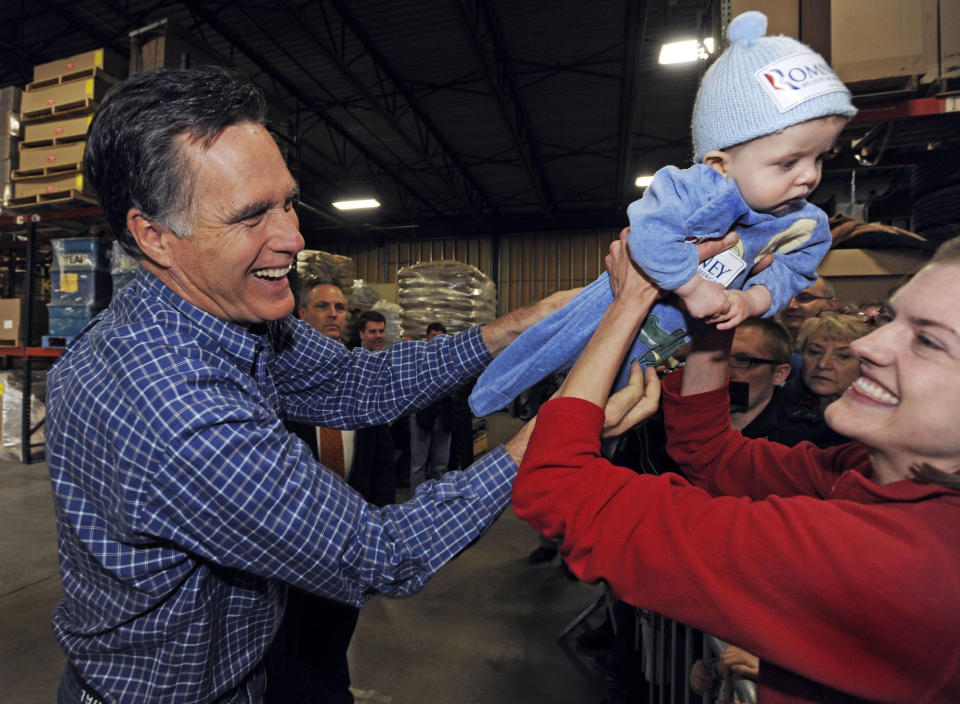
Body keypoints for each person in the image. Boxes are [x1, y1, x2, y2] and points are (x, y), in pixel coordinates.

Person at [46, 64, 640, 704]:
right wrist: (559, 428)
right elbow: (380, 553)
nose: (293, 238)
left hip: (243, 675)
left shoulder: (224, 318)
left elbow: (359, 383)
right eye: (251, 216)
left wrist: (522, 326)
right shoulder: (171, 405)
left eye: (287, 201)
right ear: (154, 235)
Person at [512, 229, 960, 702]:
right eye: (888, 319)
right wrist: (722, 311)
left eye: (928, 341)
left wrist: (630, 301)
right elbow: (711, 453)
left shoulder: (901, 562)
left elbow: (558, 486)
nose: (871, 346)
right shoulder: (861, 473)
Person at [468, 10, 855, 417]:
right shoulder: (694, 188)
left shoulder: (802, 221)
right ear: (720, 164)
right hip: (613, 305)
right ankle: (488, 397)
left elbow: (796, 270)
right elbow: (648, 234)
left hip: (671, 339)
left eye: (820, 158)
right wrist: (691, 286)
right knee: (550, 343)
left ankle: (563, 439)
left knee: (604, 404)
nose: (809, 177)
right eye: (789, 163)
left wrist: (752, 299)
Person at [267, 276, 394, 704]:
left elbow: (379, 464)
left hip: (350, 541)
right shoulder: (279, 381)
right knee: (290, 641)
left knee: (337, 632)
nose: (333, 315)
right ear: (301, 314)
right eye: (322, 306)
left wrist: (381, 528)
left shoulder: (360, 377)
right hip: (294, 544)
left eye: (339, 308)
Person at [779, 312, 873, 448]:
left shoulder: (877, 424)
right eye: (815, 352)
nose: (823, 364)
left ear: (867, 365)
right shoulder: (773, 405)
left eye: (843, 356)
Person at [409, 322, 454, 490]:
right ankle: (417, 503)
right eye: (434, 337)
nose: (437, 342)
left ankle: (437, 503)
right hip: (421, 416)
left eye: (441, 338)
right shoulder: (418, 359)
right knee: (418, 466)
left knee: (440, 466)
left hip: (443, 418)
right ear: (427, 337)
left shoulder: (450, 361)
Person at [778, 275, 840, 341]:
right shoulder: (771, 340)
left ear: (832, 305)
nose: (791, 306)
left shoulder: (846, 345)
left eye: (804, 298)